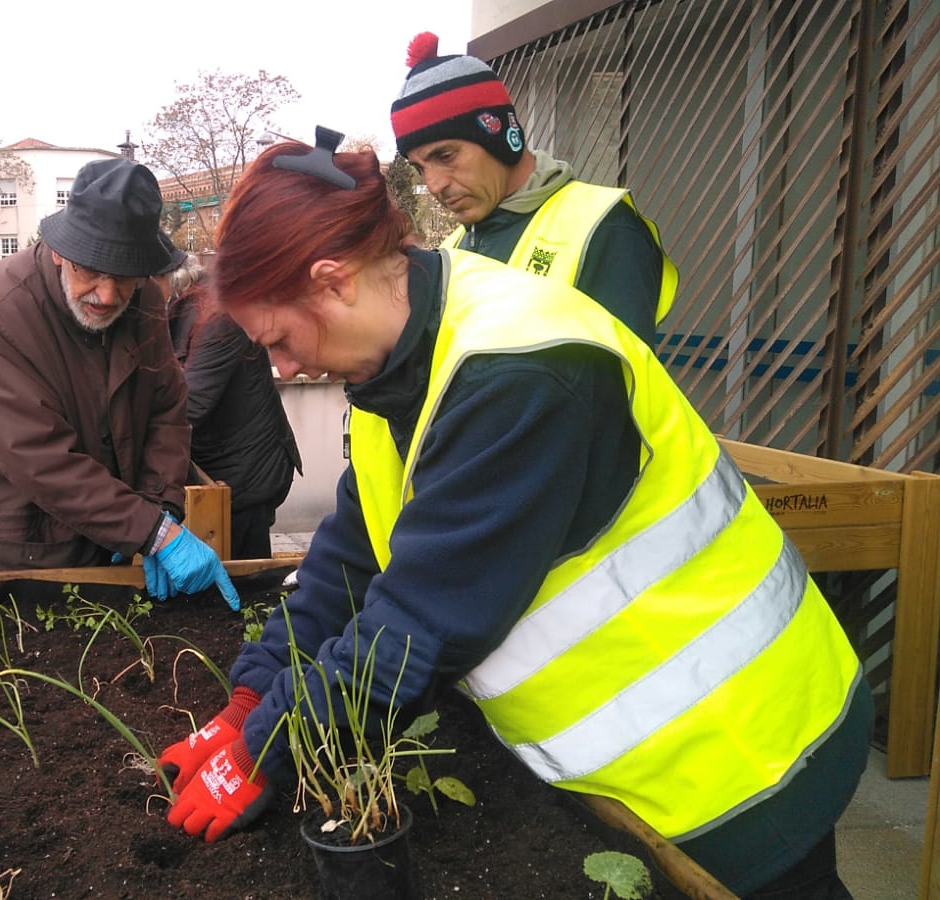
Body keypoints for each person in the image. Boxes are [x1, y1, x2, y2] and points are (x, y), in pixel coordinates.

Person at [158, 129, 870, 900]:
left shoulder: (520, 374)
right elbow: (349, 560)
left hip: (735, 753)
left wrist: (265, 755)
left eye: (281, 340)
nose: (286, 369)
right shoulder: (400, 361)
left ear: (332, 281)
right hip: (631, 766)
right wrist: (247, 702)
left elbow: (417, 623)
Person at [0, 157, 239, 609]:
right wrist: (152, 532)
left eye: (123, 276)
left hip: (111, 538)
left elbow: (166, 410)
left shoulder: (143, 301)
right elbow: (36, 455)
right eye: (91, 271)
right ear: (60, 250)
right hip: (17, 549)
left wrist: (159, 507)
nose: (106, 294)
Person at [391, 32, 677, 344]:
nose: (434, 184)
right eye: (420, 168)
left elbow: (619, 381)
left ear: (498, 136)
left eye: (445, 156)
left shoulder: (604, 228)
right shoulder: (452, 249)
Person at [166, 254, 301, 560]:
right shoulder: (181, 307)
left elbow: (191, 406)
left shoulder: (218, 316)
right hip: (220, 468)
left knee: (243, 574)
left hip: (247, 473)